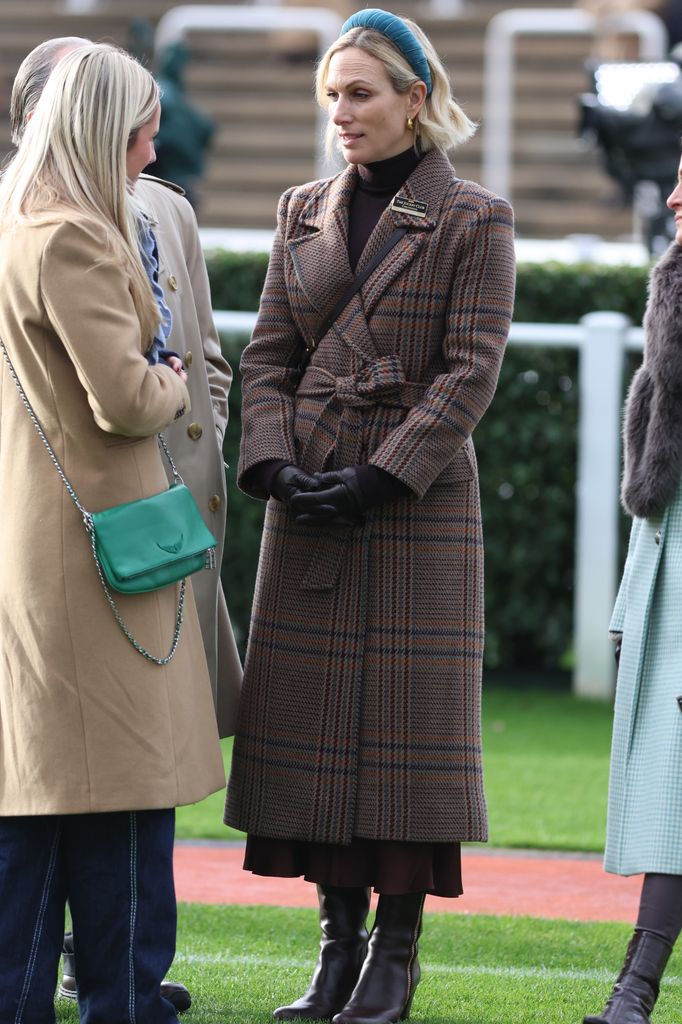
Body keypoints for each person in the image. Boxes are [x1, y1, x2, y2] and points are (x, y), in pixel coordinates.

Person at [224, 9, 516, 1023]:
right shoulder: (299, 205)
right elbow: (265, 356)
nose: (340, 113)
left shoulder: (476, 216)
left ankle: (395, 952)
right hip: (306, 497)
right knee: (306, 736)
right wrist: (270, 466)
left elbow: (468, 375)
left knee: (404, 740)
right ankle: (335, 946)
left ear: (414, 97)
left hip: (411, 508)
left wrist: (379, 479)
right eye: (331, 96)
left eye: (359, 93)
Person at [8, 36, 243, 1014]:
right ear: (110, 126)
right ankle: (123, 996)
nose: (153, 149)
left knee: (54, 799)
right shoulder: (74, 232)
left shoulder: (31, 220)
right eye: (145, 129)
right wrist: (172, 382)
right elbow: (123, 397)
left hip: (71, 539)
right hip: (102, 546)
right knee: (121, 794)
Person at [581, 156, 682, 1024]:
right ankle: (634, 992)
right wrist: (630, 601)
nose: (675, 196)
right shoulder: (672, 290)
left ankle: (634, 992)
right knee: (673, 785)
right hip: (670, 569)